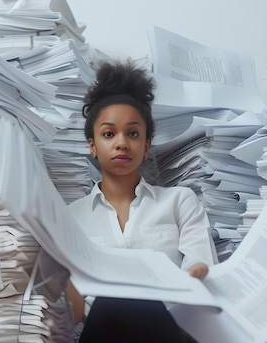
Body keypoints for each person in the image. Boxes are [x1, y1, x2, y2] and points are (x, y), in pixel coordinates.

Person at [66, 60, 215, 342]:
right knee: (113, 302)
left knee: (131, 300)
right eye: (108, 134)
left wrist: (196, 274)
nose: (122, 143)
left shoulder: (179, 201)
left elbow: (200, 266)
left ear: (146, 146)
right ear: (93, 146)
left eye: (133, 133)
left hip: (168, 332)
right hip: (101, 333)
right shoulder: (70, 217)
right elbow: (70, 314)